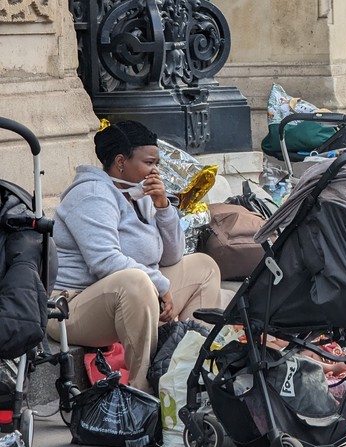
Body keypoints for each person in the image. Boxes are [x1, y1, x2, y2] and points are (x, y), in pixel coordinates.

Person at [48, 120, 222, 393]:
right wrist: (161, 286)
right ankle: (143, 388)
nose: (155, 171)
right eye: (149, 163)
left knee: (204, 267)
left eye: (157, 164)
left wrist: (164, 208)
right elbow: (104, 261)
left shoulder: (139, 193)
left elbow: (173, 256)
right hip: (73, 306)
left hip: (134, 296)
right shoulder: (91, 194)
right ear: (120, 162)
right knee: (136, 282)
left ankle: (189, 365)